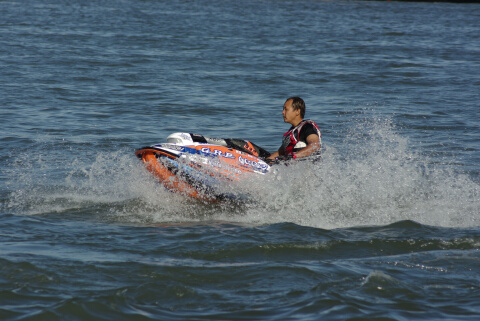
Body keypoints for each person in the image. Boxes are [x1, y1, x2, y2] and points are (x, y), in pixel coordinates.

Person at [267, 97, 321, 163]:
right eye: (283, 109)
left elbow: (315, 145)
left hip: (309, 170)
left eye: (286, 109)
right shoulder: (291, 133)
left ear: (297, 111)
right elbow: (280, 153)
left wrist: (294, 156)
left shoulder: (307, 127)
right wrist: (267, 161)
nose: (283, 112)